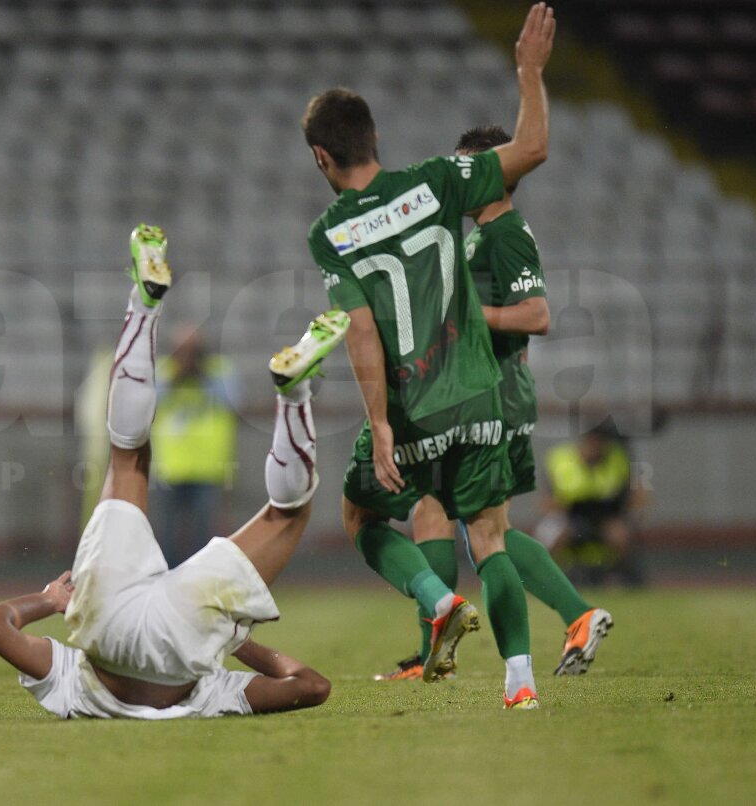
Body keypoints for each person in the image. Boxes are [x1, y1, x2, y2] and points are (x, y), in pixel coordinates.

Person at [0, 224, 346, 719]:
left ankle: (294, 394)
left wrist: (235, 642)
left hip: (185, 635)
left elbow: (312, 686)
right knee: (127, 452)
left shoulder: (214, 697)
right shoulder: (72, 691)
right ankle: (143, 304)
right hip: (105, 618)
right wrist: (51, 600)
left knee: (288, 513)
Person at [303, 3, 556, 709]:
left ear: (323, 157)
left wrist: (380, 423)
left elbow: (359, 332)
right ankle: (520, 683)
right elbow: (531, 148)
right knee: (492, 538)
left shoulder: (331, 233)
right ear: (375, 137)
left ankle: (436, 598)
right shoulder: (439, 179)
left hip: (412, 404)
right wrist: (529, 72)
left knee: (361, 515)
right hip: (477, 394)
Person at [374, 126, 612, 684]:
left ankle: (473, 649)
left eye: (469, 171)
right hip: (477, 390)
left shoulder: (505, 235)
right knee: (445, 515)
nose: (461, 182)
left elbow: (537, 315)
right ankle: (561, 619)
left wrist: (467, 319)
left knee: (467, 524)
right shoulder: (478, 234)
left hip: (493, 395)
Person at [151, 326, 240, 564]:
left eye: (193, 351)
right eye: (181, 351)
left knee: (206, 537)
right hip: (170, 468)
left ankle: (202, 583)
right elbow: (149, 403)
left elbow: (232, 402)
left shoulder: (220, 371)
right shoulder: (162, 372)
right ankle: (167, 582)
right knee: (167, 536)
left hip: (208, 468)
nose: (187, 358)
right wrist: (176, 378)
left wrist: (202, 376)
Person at [539, 422, 646, 586]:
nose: (598, 446)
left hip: (604, 518)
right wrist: (570, 518)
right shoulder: (559, 459)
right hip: (568, 517)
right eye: (594, 441)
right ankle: (548, 581)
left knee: (619, 535)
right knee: (554, 537)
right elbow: (546, 501)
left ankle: (620, 579)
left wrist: (626, 516)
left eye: (602, 442)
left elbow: (637, 494)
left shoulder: (619, 459)